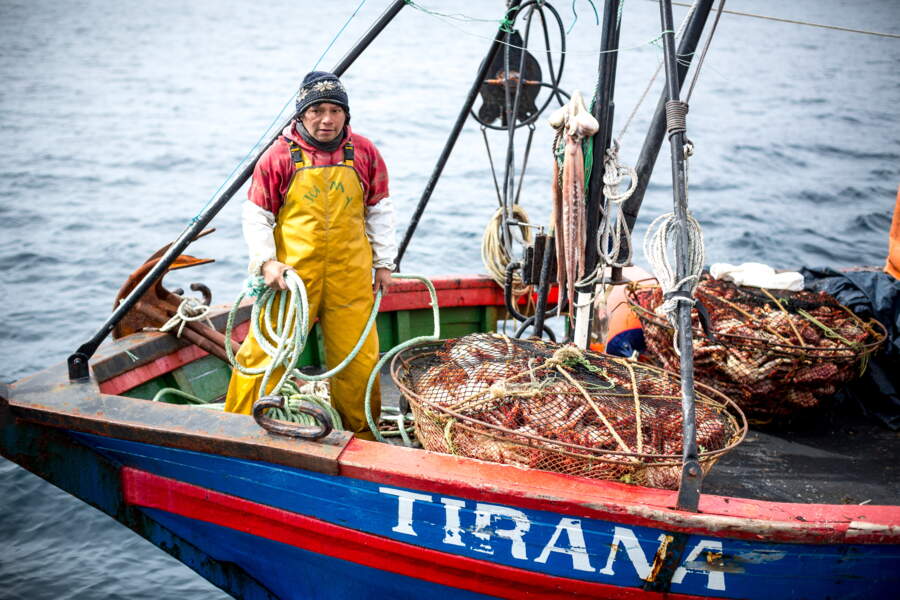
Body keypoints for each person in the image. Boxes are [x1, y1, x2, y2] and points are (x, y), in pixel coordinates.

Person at [225, 71, 396, 440]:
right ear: (301, 114)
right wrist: (266, 262)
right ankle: (233, 429)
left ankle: (362, 437)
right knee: (264, 353)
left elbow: (379, 208)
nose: (326, 119)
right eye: (316, 109)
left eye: (335, 110)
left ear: (345, 115)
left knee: (359, 360)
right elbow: (257, 214)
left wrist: (384, 263)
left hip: (351, 276)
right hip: (292, 279)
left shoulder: (364, 152)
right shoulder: (278, 156)